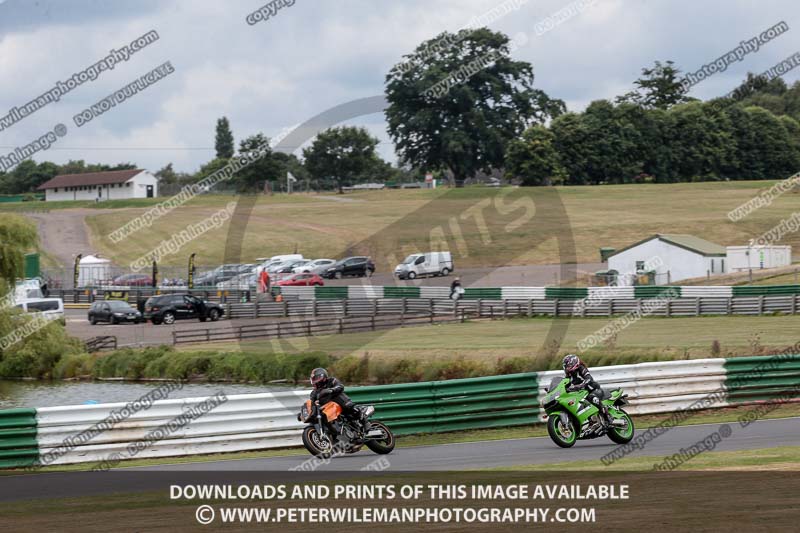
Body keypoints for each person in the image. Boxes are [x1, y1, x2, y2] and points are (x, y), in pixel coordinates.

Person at [562, 354, 611, 426]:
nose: (567, 368)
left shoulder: (581, 368)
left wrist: (581, 385)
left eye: (568, 366)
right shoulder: (569, 375)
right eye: (565, 366)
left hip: (594, 389)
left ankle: (607, 416)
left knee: (592, 398)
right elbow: (565, 384)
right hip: (583, 393)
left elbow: (589, 378)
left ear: (574, 363)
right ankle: (589, 420)